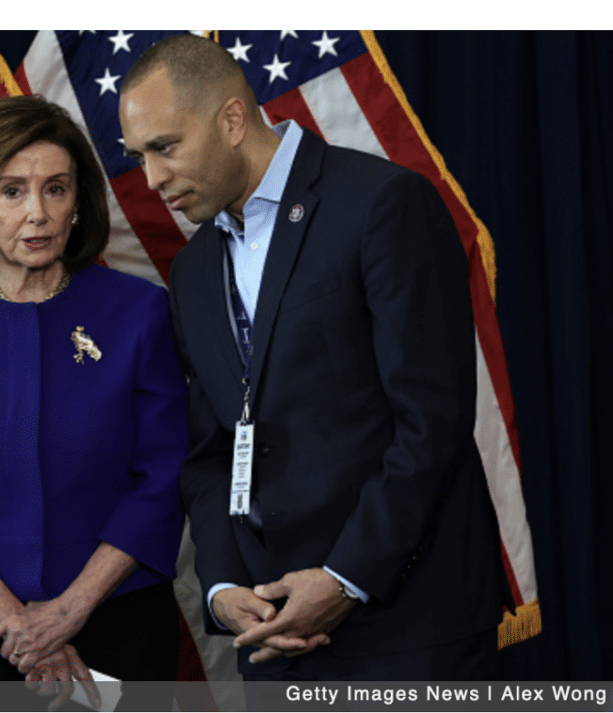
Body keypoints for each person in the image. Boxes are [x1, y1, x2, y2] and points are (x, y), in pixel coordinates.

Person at [119, 34, 510, 682]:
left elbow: (431, 423)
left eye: (165, 146)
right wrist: (221, 588)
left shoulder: (382, 204)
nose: (152, 178)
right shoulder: (189, 273)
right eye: (139, 156)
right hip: (273, 638)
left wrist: (344, 577)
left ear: (233, 119)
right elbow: (211, 451)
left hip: (409, 626)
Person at [0, 96, 188, 699]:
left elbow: (164, 473)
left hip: (117, 615)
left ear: (78, 201)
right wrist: (16, 622)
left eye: (56, 188)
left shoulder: (139, 311)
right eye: (12, 192)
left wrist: (67, 613)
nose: (38, 213)